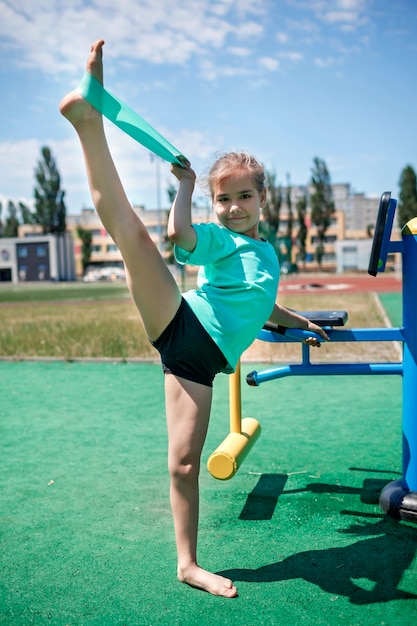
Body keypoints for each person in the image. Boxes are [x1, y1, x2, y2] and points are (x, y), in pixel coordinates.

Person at [60, 39, 329, 599]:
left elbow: (259, 304)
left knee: (185, 465)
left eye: (244, 197)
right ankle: (90, 120)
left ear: (262, 199)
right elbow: (179, 237)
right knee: (132, 233)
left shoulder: (268, 254)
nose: (233, 207)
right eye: (223, 199)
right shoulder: (218, 238)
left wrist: (295, 318)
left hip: (201, 365)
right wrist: (185, 191)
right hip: (185, 325)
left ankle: (187, 565)